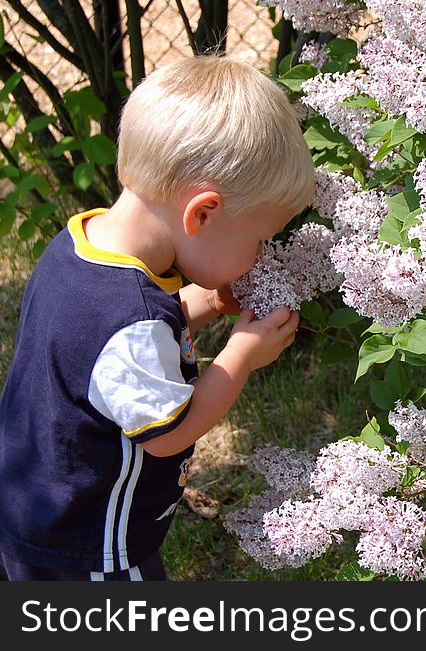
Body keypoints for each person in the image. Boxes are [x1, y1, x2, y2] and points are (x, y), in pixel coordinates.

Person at [0, 55, 315, 580]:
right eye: (257, 239)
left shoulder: (83, 245)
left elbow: (122, 347)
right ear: (203, 213)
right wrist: (240, 355)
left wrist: (212, 301)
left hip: (33, 510)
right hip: (92, 549)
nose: (260, 255)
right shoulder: (130, 316)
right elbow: (170, 432)